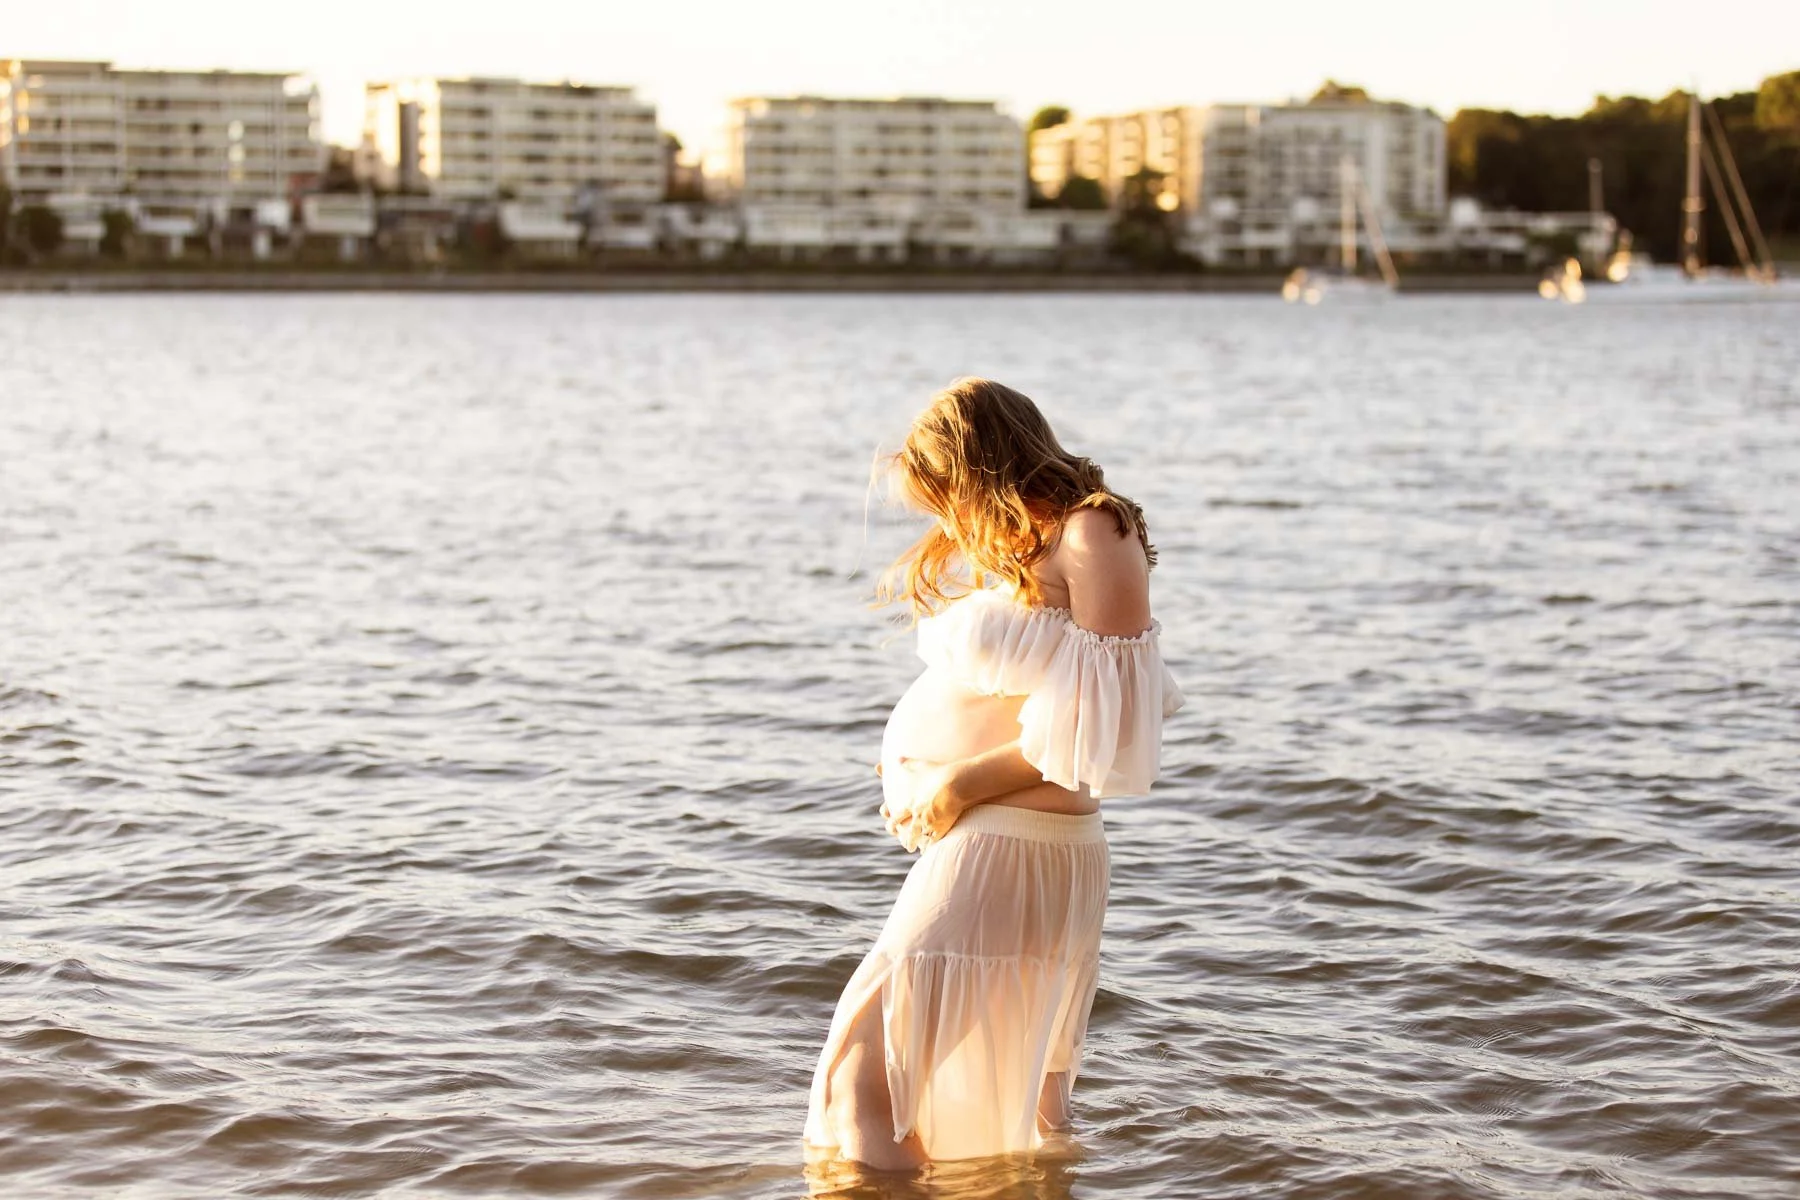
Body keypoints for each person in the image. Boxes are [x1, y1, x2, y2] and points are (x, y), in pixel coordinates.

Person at [802, 378, 1185, 1168]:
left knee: (862, 1081)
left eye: (945, 494)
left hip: (1017, 844)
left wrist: (952, 786)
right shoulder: (1043, 544)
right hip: (1000, 844)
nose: (946, 520)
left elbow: (1105, 732)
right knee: (1024, 1123)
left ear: (979, 465)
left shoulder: (1092, 531)